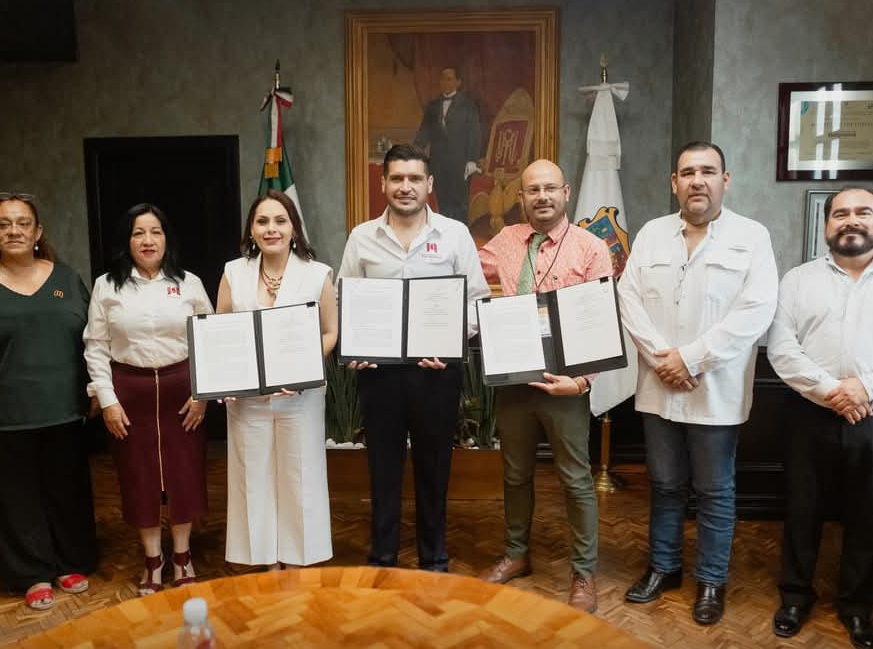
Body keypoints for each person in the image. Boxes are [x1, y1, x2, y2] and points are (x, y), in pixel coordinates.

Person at [767, 187, 873, 648]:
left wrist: (866, 387)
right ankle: (795, 596)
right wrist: (832, 391)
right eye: (840, 213)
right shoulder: (797, 281)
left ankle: (856, 607)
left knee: (868, 515)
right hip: (809, 413)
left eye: (863, 212)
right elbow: (782, 349)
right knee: (802, 510)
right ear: (827, 225)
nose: (851, 220)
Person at [617, 141, 778, 625]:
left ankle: (711, 580)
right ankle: (663, 568)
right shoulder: (651, 233)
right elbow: (628, 298)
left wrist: (689, 359)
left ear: (725, 180)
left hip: (715, 390)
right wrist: (662, 359)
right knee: (665, 484)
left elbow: (756, 311)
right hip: (659, 386)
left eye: (708, 171)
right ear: (675, 183)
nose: (697, 180)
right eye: (687, 172)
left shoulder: (752, 237)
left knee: (714, 489)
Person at [0, 193, 97, 611]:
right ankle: (31, 573)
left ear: (37, 231)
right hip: (2, 416)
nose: (14, 231)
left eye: (23, 223)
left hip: (64, 410)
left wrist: (97, 389)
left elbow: (95, 338)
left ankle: (69, 562)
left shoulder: (67, 279)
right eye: (4, 223)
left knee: (67, 490)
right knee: (15, 497)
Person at [339, 144, 490, 572]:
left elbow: (477, 301)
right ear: (383, 183)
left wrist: (449, 341)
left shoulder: (455, 235)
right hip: (379, 374)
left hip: (436, 372)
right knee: (382, 467)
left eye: (414, 179)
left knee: (434, 467)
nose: (406, 187)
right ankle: (383, 556)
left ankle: (433, 557)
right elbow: (345, 299)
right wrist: (356, 347)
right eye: (397, 178)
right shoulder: (361, 237)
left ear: (429, 184)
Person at [475, 159, 612, 613]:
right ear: (521, 197)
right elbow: (465, 272)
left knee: (575, 479)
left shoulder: (591, 248)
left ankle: (584, 573)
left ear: (566, 192)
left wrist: (582, 382)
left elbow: (600, 320)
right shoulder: (504, 242)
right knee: (515, 474)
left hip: (565, 382)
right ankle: (516, 554)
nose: (542, 197)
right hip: (513, 380)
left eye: (550, 188)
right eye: (533, 190)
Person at [83, 203, 213, 595]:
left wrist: (202, 394)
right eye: (138, 233)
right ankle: (153, 559)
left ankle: (183, 555)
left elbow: (210, 338)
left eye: (155, 231)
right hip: (130, 393)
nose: (147, 240)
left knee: (184, 473)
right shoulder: (108, 286)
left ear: (166, 238)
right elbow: (96, 345)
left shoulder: (189, 283)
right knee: (138, 476)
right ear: (127, 241)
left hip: (182, 391)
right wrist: (107, 399)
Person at [217, 190, 339, 568]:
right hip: (248, 400)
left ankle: (298, 559)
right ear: (251, 230)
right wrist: (225, 381)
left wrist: (301, 370)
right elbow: (220, 332)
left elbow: (330, 332)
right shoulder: (233, 273)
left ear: (294, 228)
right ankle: (265, 559)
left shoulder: (317, 274)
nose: (271, 229)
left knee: (299, 475)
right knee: (253, 477)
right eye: (262, 221)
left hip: (300, 397)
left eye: (280, 221)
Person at [414, 66, 482, 225]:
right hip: (438, 163)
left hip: (460, 164)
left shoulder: (468, 105)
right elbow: (424, 132)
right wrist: (413, 152)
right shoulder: (432, 106)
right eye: (443, 79)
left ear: (458, 82)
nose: (445, 82)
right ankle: (445, 234)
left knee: (460, 202)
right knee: (442, 201)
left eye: (449, 79)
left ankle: (461, 234)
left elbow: (475, 134)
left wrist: (472, 160)